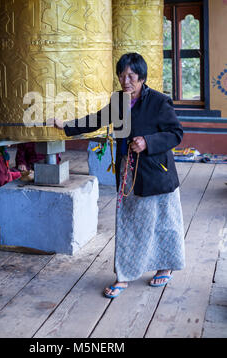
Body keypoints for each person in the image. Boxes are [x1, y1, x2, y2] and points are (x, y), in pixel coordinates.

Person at [51, 52, 185, 298]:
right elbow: (97, 119)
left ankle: (165, 266)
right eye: (122, 76)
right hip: (129, 172)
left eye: (131, 76)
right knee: (128, 224)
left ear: (141, 77)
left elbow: (176, 133)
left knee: (163, 223)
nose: (126, 81)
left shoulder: (159, 102)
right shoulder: (119, 102)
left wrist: (147, 142)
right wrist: (67, 126)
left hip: (157, 173)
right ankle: (124, 275)